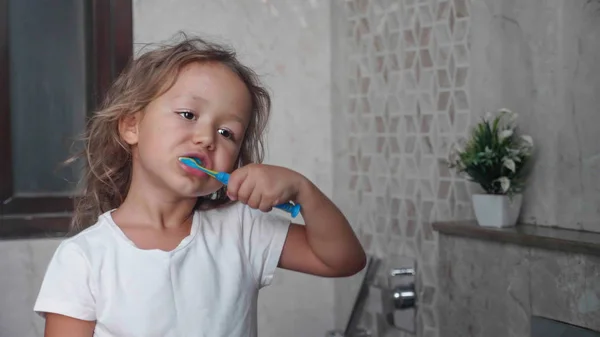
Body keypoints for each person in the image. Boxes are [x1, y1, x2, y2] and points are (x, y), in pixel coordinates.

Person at [33, 34, 366, 337]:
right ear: (132, 126)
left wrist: (304, 190)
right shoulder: (84, 259)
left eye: (227, 133)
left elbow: (343, 260)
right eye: (188, 115)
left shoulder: (242, 230)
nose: (207, 138)